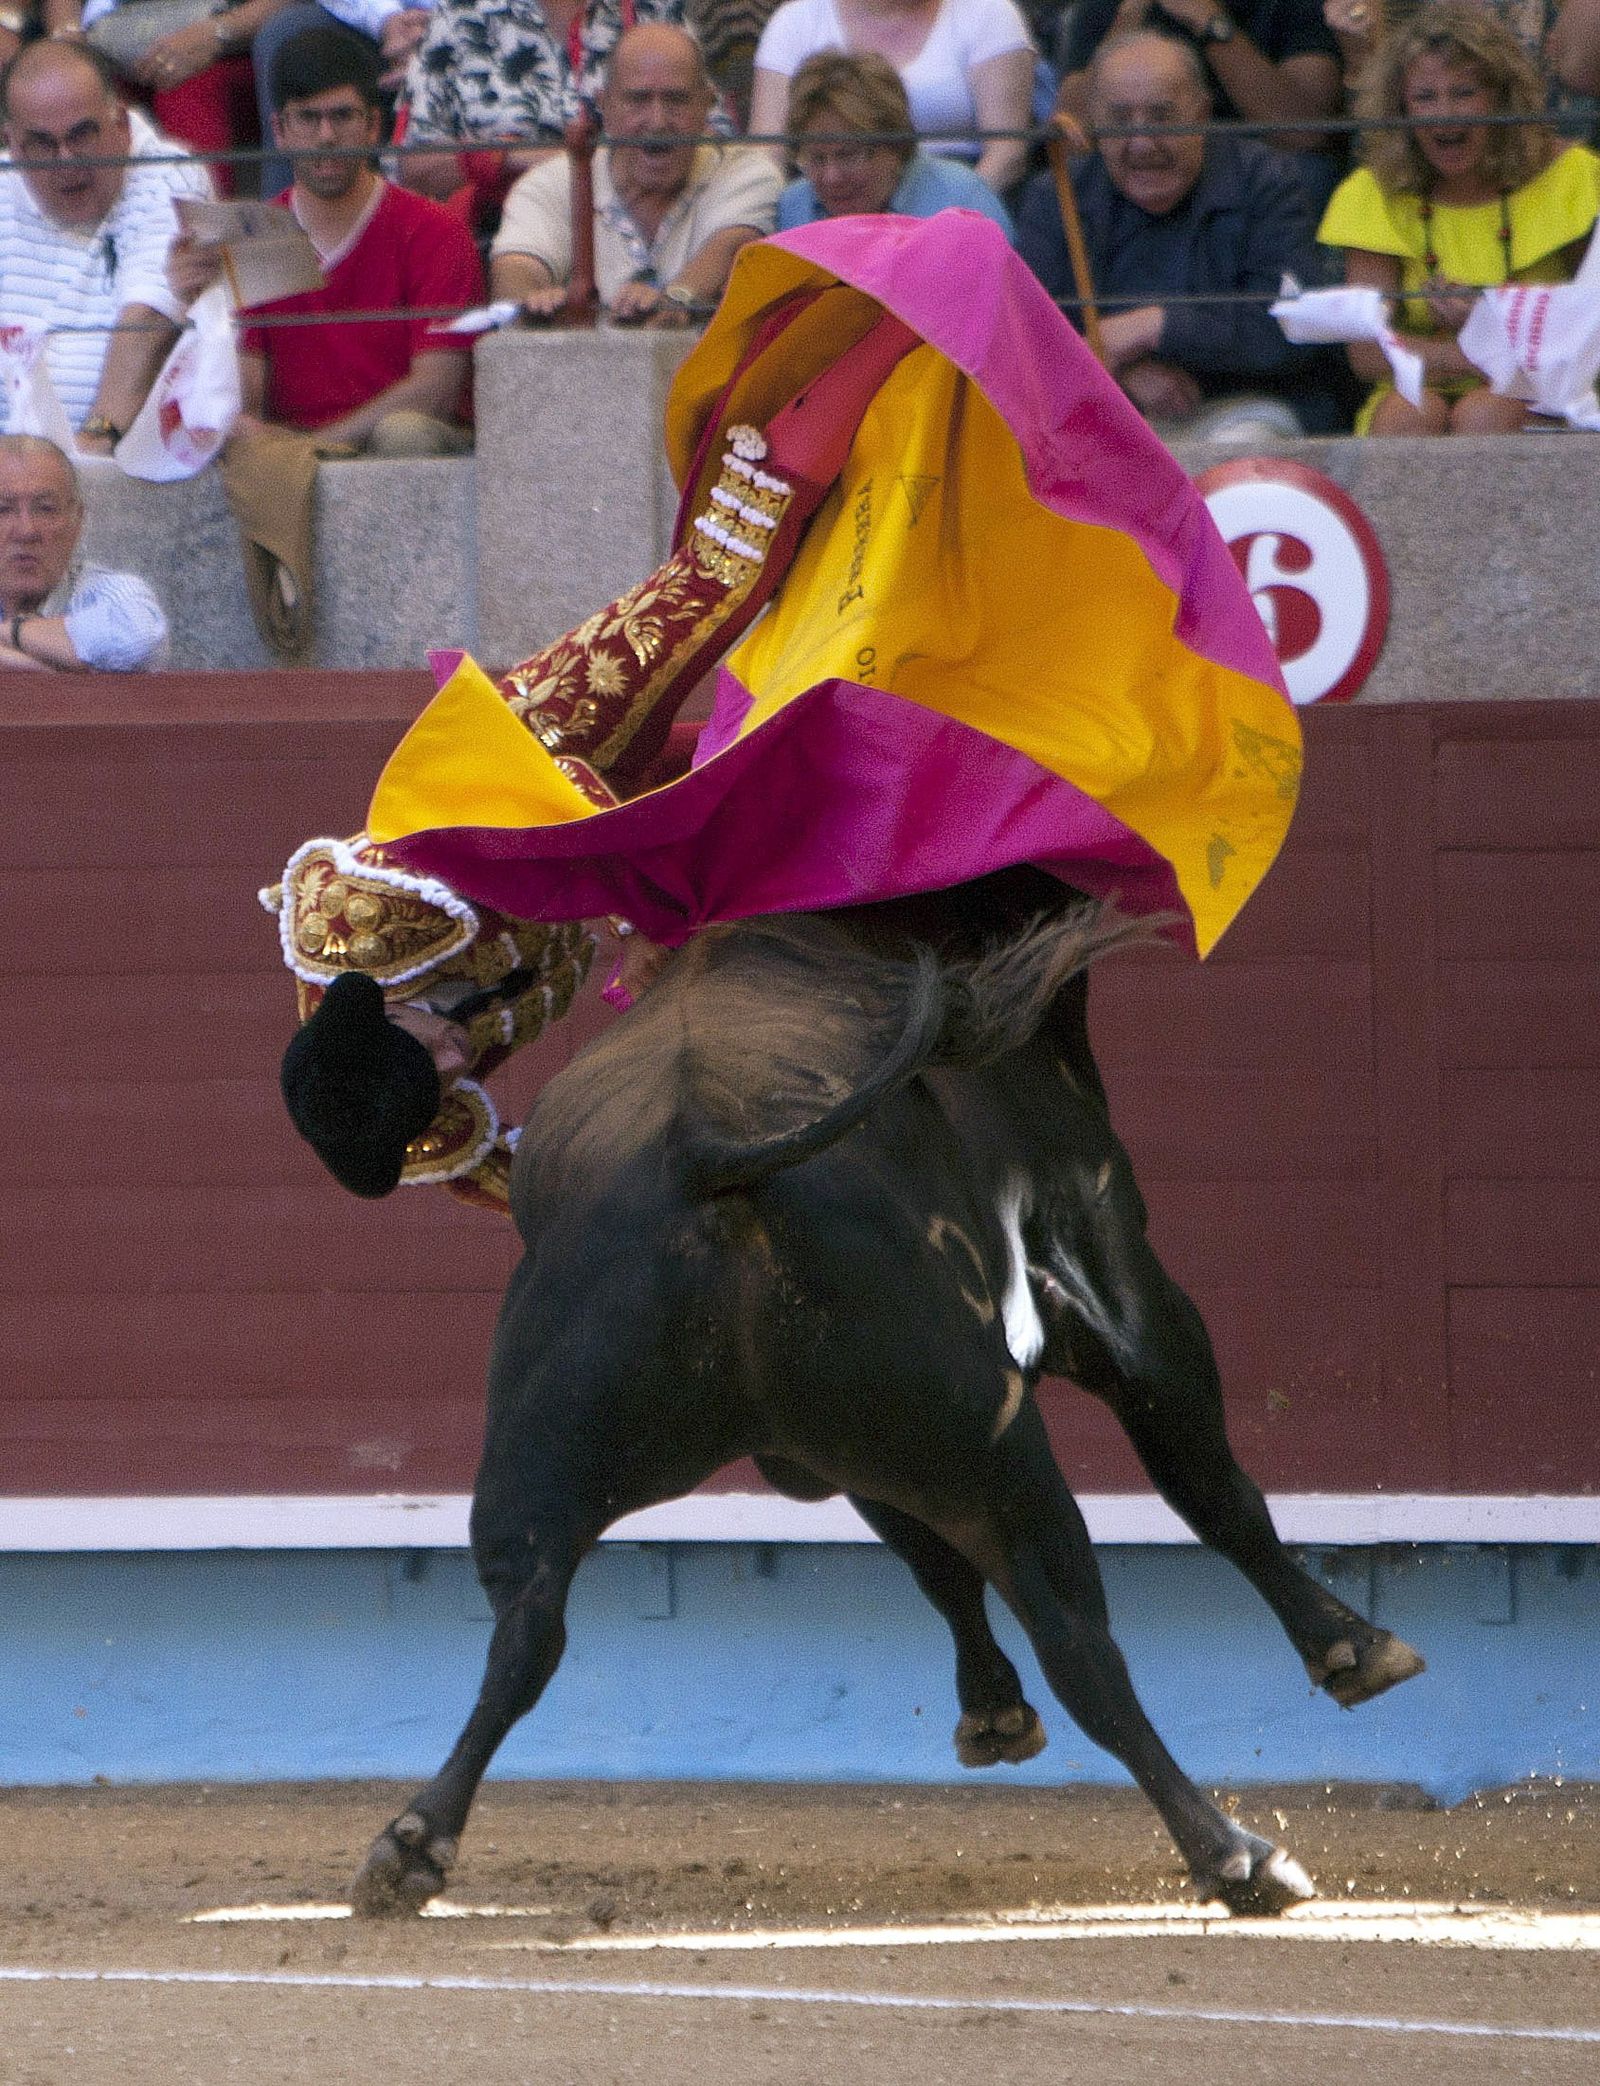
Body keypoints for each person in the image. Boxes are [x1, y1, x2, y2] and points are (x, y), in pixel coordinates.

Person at [1018, 30, 1348, 435]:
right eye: (1120, 120)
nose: (1140, 143)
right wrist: (1124, 371)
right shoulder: (1057, 195)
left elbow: (1292, 329)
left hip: (1244, 404)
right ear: (1095, 124)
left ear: (1202, 114)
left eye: (1162, 117)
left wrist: (1154, 326)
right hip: (1103, 406)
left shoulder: (1265, 180)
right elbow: (1029, 339)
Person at [173, 24, 483, 452]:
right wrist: (200, 313)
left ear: (374, 124)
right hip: (290, 451)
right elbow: (246, 390)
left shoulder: (435, 231)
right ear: (279, 130)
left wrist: (317, 447)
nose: (326, 136)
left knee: (404, 433)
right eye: (308, 117)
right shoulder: (253, 236)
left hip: (391, 452)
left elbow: (436, 390)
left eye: (342, 115)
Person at [1319, 1, 1600, 434]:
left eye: (1465, 93)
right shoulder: (1370, 192)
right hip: (1413, 387)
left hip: (1541, 389)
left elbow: (1586, 337)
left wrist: (1486, 326)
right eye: (1425, 97)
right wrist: (1475, 351)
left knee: (1486, 411)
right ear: (1402, 111)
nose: (1445, 113)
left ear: (1502, 99)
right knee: (1407, 415)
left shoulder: (1573, 178)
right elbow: (1368, 355)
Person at [490, 22, 779, 324]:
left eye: (676, 100)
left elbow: (731, 247)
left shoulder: (746, 171)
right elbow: (516, 268)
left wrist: (675, 301)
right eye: (638, 100)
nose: (657, 121)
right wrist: (532, 308)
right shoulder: (548, 182)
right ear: (604, 105)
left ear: (707, 104)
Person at [0, 39, 210, 449]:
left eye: (81, 135)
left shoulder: (167, 173)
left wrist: (98, 435)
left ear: (121, 127)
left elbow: (148, 319)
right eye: (43, 143)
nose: (66, 161)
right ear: (13, 144)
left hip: (110, 459)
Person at [396, 0, 694, 205]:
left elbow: (713, 141)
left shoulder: (659, 9)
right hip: (498, 235)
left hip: (644, 230)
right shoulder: (459, 14)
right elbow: (412, 168)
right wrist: (509, 157)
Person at [1057, 0, 1344, 211]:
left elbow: (1305, 133)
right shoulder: (1106, 8)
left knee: (1309, 174)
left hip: (1253, 171)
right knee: (1062, 185)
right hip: (1135, 167)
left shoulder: (1293, 8)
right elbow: (1072, 137)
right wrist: (1130, 20)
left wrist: (1209, 20)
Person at [748, 0, 1036, 194]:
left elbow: (1007, 154)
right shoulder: (794, 21)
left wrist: (949, 217)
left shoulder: (990, 12)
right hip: (828, 197)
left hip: (956, 203)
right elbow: (766, 157)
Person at [776, 45, 1016, 232]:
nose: (832, 177)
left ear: (896, 146)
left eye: (849, 156)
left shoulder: (964, 201)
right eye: (816, 159)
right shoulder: (794, 207)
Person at [0, 433, 169, 669]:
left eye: (46, 509)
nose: (26, 531)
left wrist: (14, 632)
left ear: (76, 522)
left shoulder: (109, 593)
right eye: (3, 510)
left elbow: (139, 637)